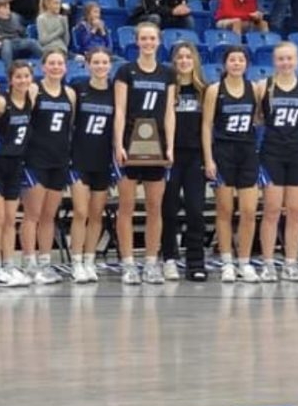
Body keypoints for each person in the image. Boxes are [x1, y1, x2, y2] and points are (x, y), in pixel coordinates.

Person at [114, 23, 176, 285]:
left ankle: (151, 263)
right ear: (137, 42)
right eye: (144, 38)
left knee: (154, 207)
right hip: (130, 143)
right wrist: (118, 144)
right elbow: (119, 109)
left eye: (152, 38)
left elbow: (169, 112)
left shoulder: (168, 73)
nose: (148, 42)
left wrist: (170, 145)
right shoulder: (126, 71)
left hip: (156, 146)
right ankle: (128, 263)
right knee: (126, 207)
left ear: (159, 42)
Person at [202, 47, 261, 284]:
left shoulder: (254, 89)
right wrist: (208, 158)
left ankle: (245, 262)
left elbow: (257, 119)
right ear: (225, 63)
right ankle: (227, 261)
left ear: (246, 63)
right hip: (223, 152)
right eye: (232, 59)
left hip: (247, 152)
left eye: (241, 59)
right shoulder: (215, 90)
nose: (236, 63)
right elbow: (206, 126)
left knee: (248, 211)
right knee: (225, 211)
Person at [20, 49, 75, 284]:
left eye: (59, 63)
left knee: (49, 216)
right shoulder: (34, 90)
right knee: (32, 214)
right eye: (51, 63)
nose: (55, 67)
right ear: (43, 67)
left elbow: (69, 127)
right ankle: (29, 262)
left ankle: (44, 260)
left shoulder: (70, 93)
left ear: (65, 67)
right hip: (35, 159)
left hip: (59, 159)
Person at [257, 42, 298, 282]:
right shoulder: (263, 86)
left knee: (296, 211)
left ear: (297, 60)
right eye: (281, 59)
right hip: (272, 153)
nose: (286, 63)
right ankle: (268, 263)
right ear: (274, 61)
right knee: (271, 210)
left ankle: (291, 262)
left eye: (290, 58)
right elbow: (258, 117)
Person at [0, 60, 33, 286]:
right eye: (18, 77)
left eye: (26, 76)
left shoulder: (32, 97)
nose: (23, 80)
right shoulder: (1, 102)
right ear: (10, 79)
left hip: (16, 162)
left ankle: (9, 264)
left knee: (11, 218)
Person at [161, 43, 207, 282]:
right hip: (171, 157)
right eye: (179, 57)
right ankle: (169, 258)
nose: (184, 60)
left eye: (189, 56)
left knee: (196, 211)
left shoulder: (204, 90)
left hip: (195, 157)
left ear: (195, 60)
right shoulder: (168, 88)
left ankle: (196, 261)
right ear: (173, 61)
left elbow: (209, 126)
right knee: (168, 209)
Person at [68, 48, 114, 282]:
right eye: (95, 62)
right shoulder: (78, 87)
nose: (100, 66)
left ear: (110, 65)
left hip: (103, 159)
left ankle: (89, 259)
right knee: (80, 211)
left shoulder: (115, 91)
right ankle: (76, 261)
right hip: (79, 158)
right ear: (87, 65)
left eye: (104, 62)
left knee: (96, 214)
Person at [0, 0, 42, 64]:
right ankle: (9, 68)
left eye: (8, 7)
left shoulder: (16, 17)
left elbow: (23, 32)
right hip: (1, 44)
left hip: (17, 42)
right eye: (4, 8)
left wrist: (23, 37)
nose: (8, 10)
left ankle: (46, 60)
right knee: (6, 43)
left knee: (32, 42)